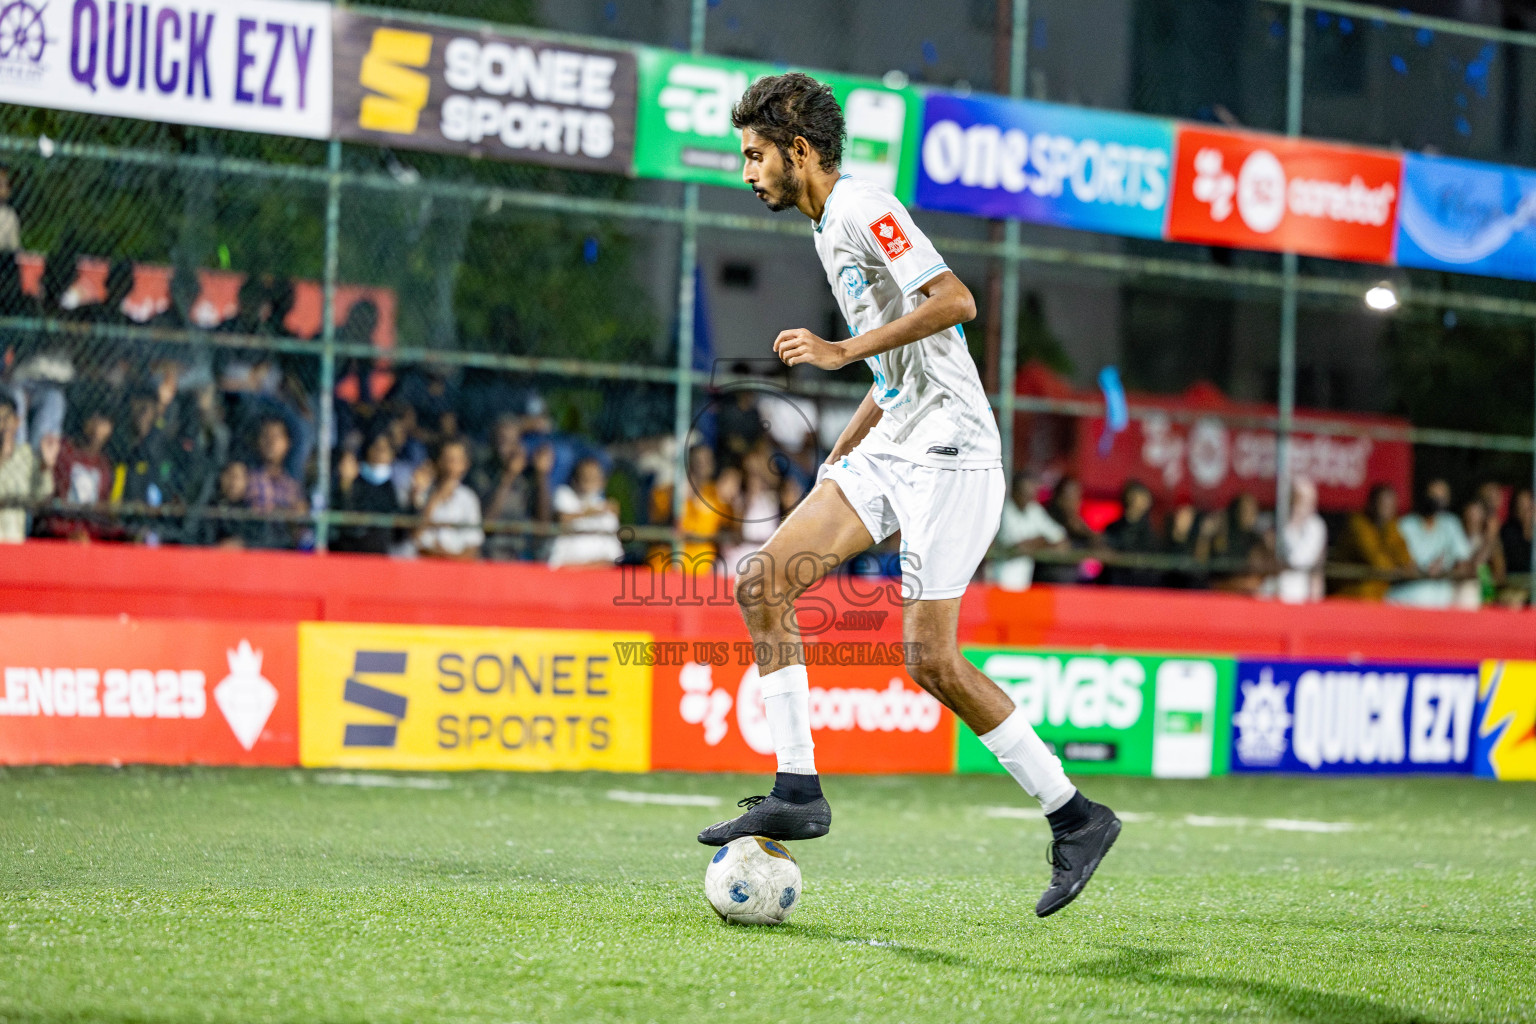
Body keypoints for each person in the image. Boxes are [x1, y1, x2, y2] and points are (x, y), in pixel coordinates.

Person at [696, 73, 1119, 918]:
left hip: (953, 453)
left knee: (928, 660)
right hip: (896, 442)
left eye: (755, 155)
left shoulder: (861, 207)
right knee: (763, 581)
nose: (746, 172)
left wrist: (841, 348)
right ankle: (798, 787)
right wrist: (842, 452)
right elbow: (896, 373)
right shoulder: (827, 228)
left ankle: (1076, 816)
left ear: (800, 152)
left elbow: (953, 301)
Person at [1391, 478, 1473, 609]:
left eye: (1441, 498)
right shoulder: (1405, 524)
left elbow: (1463, 561)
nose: (1436, 502)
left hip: (1442, 594)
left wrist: (1448, 568)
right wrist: (1422, 570)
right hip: (1407, 594)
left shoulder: (1451, 524)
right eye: (1433, 497)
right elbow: (1399, 563)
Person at [987, 470, 1068, 591]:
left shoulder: (1033, 510)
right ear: (1014, 490)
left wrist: (1039, 541)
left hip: (1023, 584)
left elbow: (1060, 538)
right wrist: (1040, 541)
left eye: (1031, 493)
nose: (1029, 496)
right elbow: (1014, 546)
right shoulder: (1002, 510)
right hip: (995, 583)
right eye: (1024, 492)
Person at [1334, 484, 1416, 601]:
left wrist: (1407, 567)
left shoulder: (1391, 526)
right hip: (1350, 593)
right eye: (1383, 504)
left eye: (1391, 506)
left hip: (1378, 595)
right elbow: (1378, 561)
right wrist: (1399, 571)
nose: (1387, 509)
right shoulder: (1358, 524)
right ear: (1372, 504)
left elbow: (1405, 558)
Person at [410, 437, 483, 560]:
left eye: (456, 460)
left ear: (465, 464)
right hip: (425, 565)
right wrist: (436, 498)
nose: (451, 465)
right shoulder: (422, 492)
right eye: (447, 459)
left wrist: (448, 557)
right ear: (438, 461)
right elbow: (415, 537)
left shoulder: (469, 499)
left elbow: (473, 546)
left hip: (458, 568)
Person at [330, 433, 403, 555]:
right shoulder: (352, 481)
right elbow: (349, 526)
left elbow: (398, 533)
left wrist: (414, 497)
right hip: (348, 555)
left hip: (379, 558)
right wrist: (346, 485)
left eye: (385, 450)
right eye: (376, 448)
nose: (379, 454)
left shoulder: (390, 487)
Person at [548, 456, 624, 569]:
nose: (588, 481)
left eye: (593, 478)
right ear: (575, 479)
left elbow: (613, 558)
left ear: (602, 482)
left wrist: (582, 569)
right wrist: (595, 511)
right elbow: (562, 518)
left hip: (593, 576)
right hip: (560, 573)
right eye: (584, 477)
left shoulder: (608, 515)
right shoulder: (564, 495)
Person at [0, 395, 56, 542]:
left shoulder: (26, 456)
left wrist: (45, 467)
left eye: (6, 418)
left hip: (14, 540)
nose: (3, 426)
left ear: (17, 422)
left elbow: (42, 497)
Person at [1271, 476, 1327, 604]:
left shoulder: (1317, 527)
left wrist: (1315, 599)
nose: (1306, 505)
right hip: (1278, 591)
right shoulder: (1280, 524)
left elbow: (1316, 566)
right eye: (1301, 500)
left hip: (1303, 593)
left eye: (1310, 501)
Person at [1039, 475, 1102, 583]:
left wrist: (1089, 534)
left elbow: (1097, 544)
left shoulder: (1078, 523)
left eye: (1077, 496)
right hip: (1049, 583)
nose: (1075, 502)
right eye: (1069, 496)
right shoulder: (1045, 519)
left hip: (1074, 585)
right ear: (1058, 498)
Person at [1209, 492, 1273, 595]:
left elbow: (1264, 577)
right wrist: (1242, 584)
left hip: (1250, 599)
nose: (1249, 514)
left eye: (1253, 510)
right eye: (1244, 510)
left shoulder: (1257, 540)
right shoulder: (1223, 539)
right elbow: (1215, 578)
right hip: (1224, 596)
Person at [1102, 480, 1161, 588]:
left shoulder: (1151, 532)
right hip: (1115, 584)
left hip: (1141, 585)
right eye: (1139, 496)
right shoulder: (1113, 528)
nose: (1145, 501)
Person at [1500, 488, 1532, 606]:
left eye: (1528, 506)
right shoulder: (1508, 532)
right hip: (1516, 586)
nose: (1525, 510)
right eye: (1520, 505)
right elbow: (1512, 564)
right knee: (1513, 601)